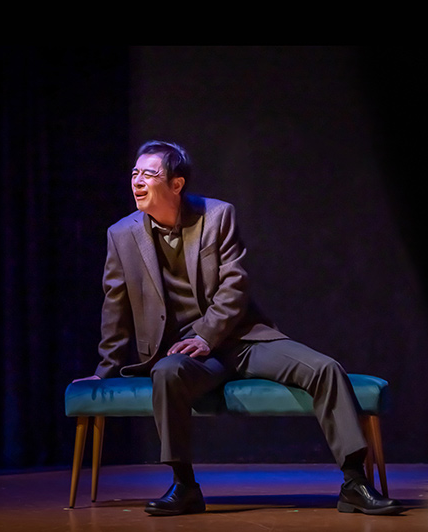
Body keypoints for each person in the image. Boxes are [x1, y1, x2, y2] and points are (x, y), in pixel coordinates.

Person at [75, 141, 404, 516]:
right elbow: (115, 306)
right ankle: (184, 486)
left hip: (243, 339)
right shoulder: (121, 234)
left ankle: (354, 483)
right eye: (134, 173)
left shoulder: (217, 215)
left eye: (148, 174)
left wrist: (206, 335)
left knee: (325, 368)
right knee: (166, 372)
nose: (137, 181)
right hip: (187, 354)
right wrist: (104, 370)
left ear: (176, 184)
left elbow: (235, 287)